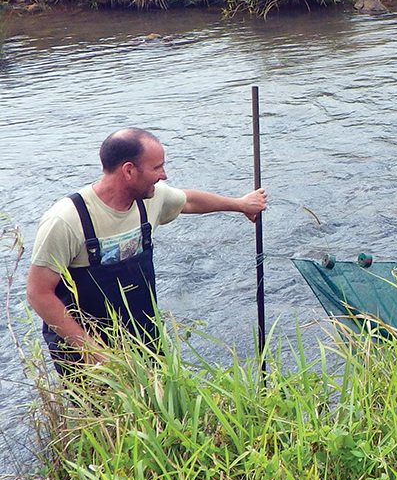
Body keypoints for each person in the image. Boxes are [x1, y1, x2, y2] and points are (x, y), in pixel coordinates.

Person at [26, 128, 267, 377]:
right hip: (84, 350)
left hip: (144, 336)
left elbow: (190, 201)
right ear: (129, 170)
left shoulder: (151, 199)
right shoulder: (66, 220)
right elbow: (38, 293)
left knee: (159, 410)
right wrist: (95, 354)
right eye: (157, 168)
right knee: (107, 415)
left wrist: (240, 204)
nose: (163, 175)